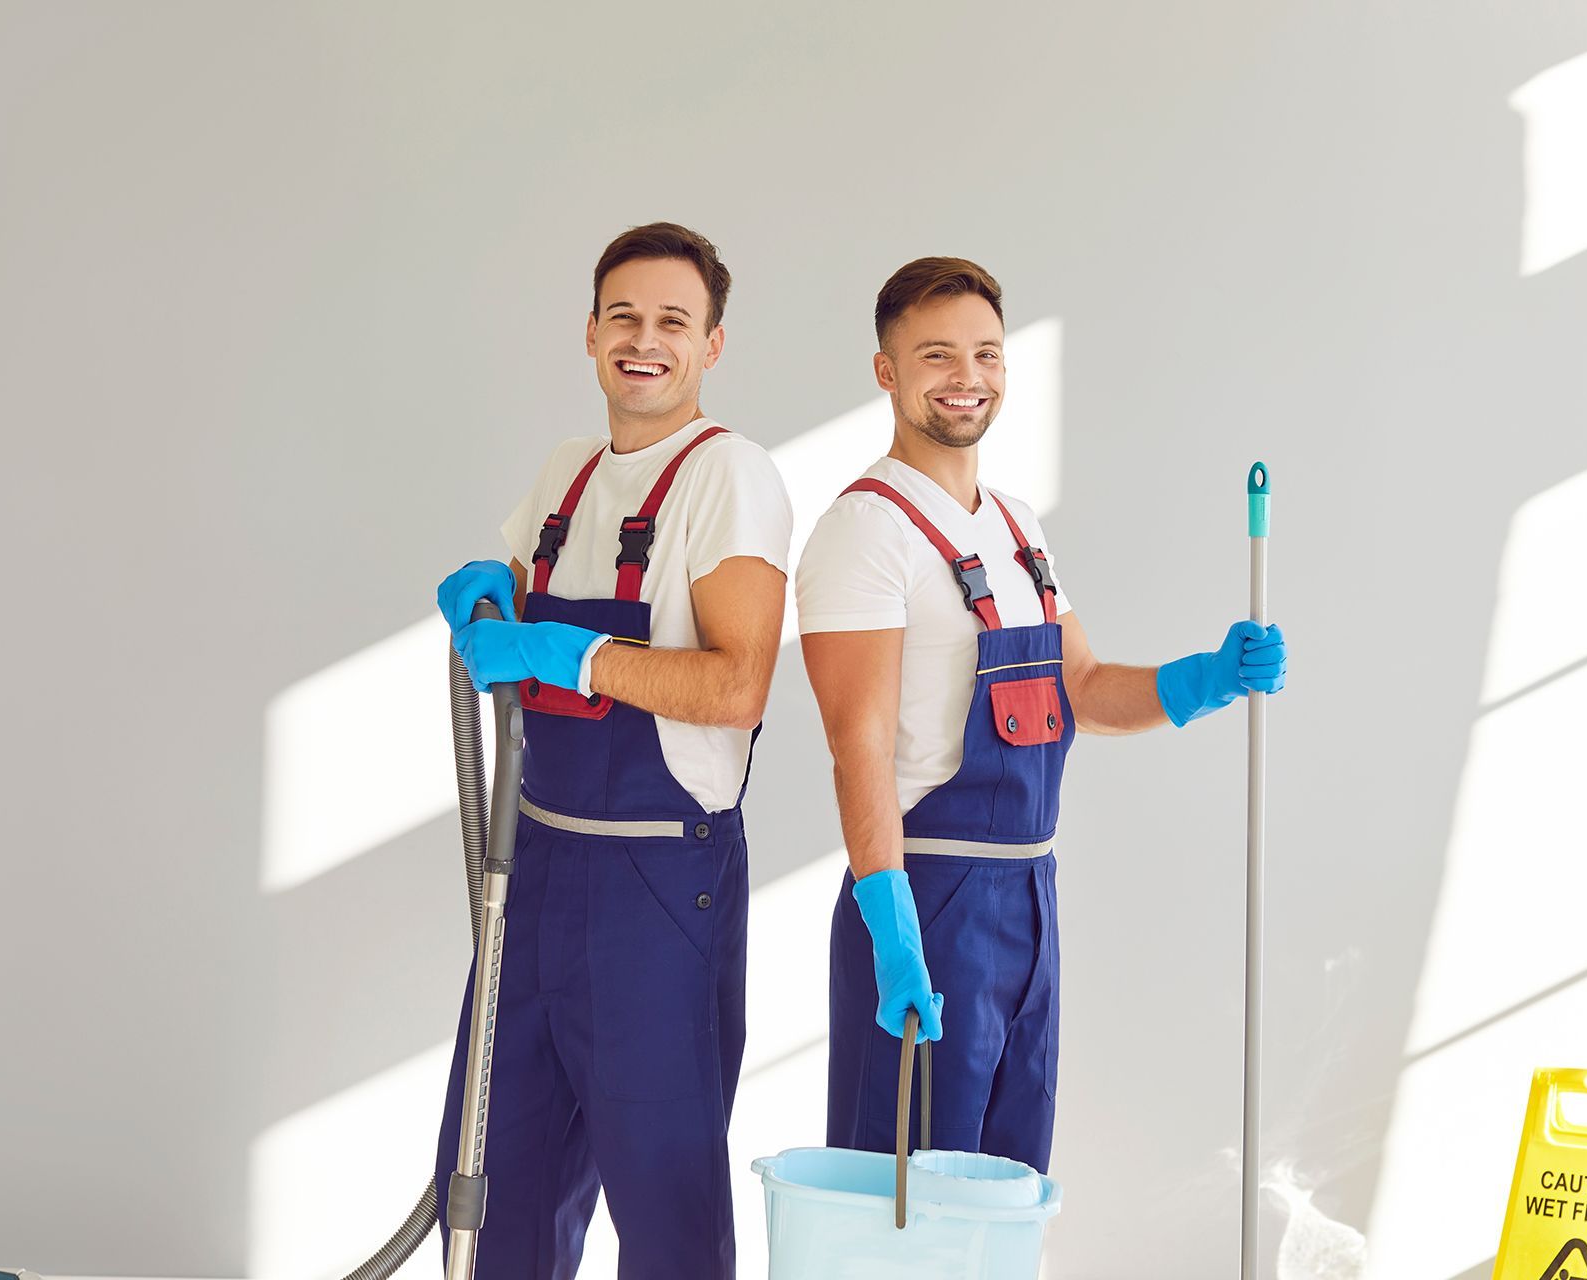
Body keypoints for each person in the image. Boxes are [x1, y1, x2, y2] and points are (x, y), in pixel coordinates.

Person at [795, 257, 1287, 1175]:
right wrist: (893, 928)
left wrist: (1205, 679)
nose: (967, 377)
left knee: (1009, 1186)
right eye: (936, 355)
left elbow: (1083, 685)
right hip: (924, 896)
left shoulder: (1020, 528)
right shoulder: (865, 531)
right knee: (905, 1199)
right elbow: (854, 744)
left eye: (986, 353)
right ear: (886, 371)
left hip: (1028, 895)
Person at [432, 222, 792, 1278]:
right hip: (537, 859)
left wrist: (575, 653)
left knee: (663, 1196)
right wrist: (486, 593)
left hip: (657, 877)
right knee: (497, 1178)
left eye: (673, 321)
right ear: (591, 333)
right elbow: (507, 583)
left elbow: (738, 685)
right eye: (624, 316)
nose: (646, 340)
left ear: (711, 344)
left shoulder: (729, 477)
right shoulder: (567, 473)